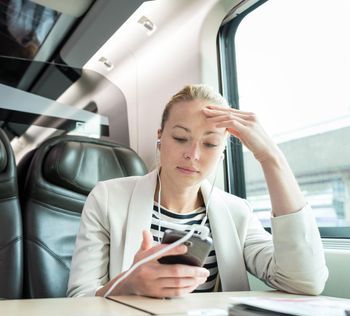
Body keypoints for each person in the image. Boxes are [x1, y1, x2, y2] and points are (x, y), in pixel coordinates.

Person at [67, 84, 328, 298]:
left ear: (222, 152)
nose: (192, 155)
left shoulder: (237, 211)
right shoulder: (107, 198)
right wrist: (129, 285)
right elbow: (79, 298)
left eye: (211, 144)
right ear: (160, 137)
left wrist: (271, 158)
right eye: (180, 138)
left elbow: (304, 282)